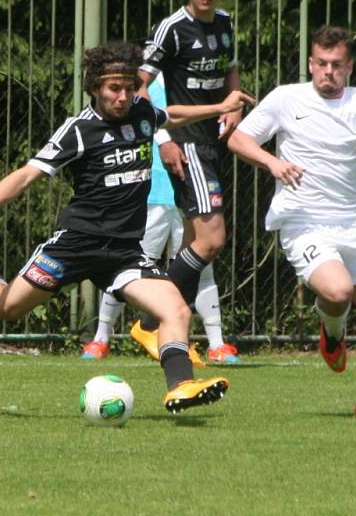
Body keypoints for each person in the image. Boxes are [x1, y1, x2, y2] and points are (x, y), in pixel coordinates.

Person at [0, 42, 251, 413]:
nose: (123, 96)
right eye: (114, 88)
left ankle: (181, 386)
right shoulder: (78, 130)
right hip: (76, 244)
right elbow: (27, 175)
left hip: (125, 251)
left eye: (129, 87)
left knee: (176, 309)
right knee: (6, 307)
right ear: (94, 87)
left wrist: (220, 107)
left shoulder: (142, 113)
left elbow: (169, 116)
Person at [227, 25, 356, 418]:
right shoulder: (287, 98)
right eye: (321, 63)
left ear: (349, 67)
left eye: (336, 65)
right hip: (302, 221)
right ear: (310, 63)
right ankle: (332, 333)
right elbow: (239, 139)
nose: (328, 72)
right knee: (337, 292)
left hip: (351, 223)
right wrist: (272, 162)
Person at [130, 0, 243, 365]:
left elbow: (231, 69)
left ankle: (164, 322)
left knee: (198, 244)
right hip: (186, 142)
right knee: (212, 240)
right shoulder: (171, 29)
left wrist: (233, 105)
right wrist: (161, 137)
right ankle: (152, 319)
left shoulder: (227, 24)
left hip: (213, 142)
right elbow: (139, 88)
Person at [82, 74, 240, 364]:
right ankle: (100, 339)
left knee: (201, 267)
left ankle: (216, 343)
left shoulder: (203, 85)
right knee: (130, 266)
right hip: (152, 192)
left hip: (192, 191)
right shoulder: (146, 87)